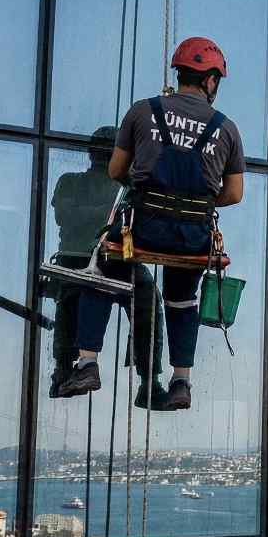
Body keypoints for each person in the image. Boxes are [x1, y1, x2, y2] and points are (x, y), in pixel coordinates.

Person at [57, 37, 246, 410]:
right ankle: (181, 381)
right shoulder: (227, 128)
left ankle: (88, 363)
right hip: (193, 235)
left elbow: (116, 170)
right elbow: (234, 193)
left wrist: (150, 189)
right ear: (211, 80)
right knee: (182, 299)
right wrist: (196, 203)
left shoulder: (143, 111)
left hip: (143, 228)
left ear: (180, 75)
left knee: (101, 272)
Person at [47, 126, 169, 408]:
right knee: (72, 297)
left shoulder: (128, 186)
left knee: (148, 300)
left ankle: (149, 380)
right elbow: (66, 216)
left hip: (118, 258)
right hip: (80, 256)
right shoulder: (73, 182)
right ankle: (64, 369)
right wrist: (111, 211)